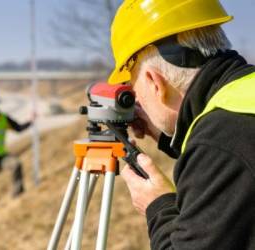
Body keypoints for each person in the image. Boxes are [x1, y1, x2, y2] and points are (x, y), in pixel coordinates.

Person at [108, 1, 255, 249]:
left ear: (155, 82)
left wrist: (158, 205)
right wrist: (164, 134)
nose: (138, 100)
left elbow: (222, 154)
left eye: (134, 89)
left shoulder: (219, 145)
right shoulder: (241, 103)